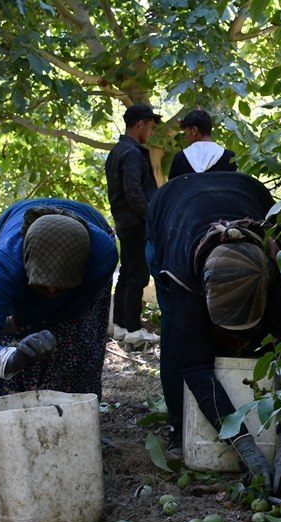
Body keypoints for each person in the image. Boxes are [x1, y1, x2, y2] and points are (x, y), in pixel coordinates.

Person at [146, 171, 281, 493]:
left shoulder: (279, 266)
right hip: (171, 212)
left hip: (246, 194)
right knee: (178, 338)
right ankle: (179, 428)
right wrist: (245, 447)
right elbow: (195, 366)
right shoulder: (182, 276)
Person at [0, 199, 118, 399]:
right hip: (10, 231)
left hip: (91, 243)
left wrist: (17, 324)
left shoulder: (102, 258)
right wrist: (12, 357)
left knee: (73, 336)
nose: (52, 290)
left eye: (62, 286)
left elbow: (73, 310)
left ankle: (67, 403)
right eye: (42, 284)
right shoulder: (5, 266)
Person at [105, 102, 162, 345]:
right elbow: (133, 191)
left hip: (125, 222)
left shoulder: (118, 150)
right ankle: (133, 329)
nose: (150, 132)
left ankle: (119, 326)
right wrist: (152, 216)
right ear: (140, 124)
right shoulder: (131, 153)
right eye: (149, 127)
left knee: (127, 273)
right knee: (137, 274)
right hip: (136, 222)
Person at [168, 109, 237, 179]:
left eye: (186, 132)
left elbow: (173, 188)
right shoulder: (229, 157)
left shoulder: (180, 158)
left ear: (194, 130)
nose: (186, 136)